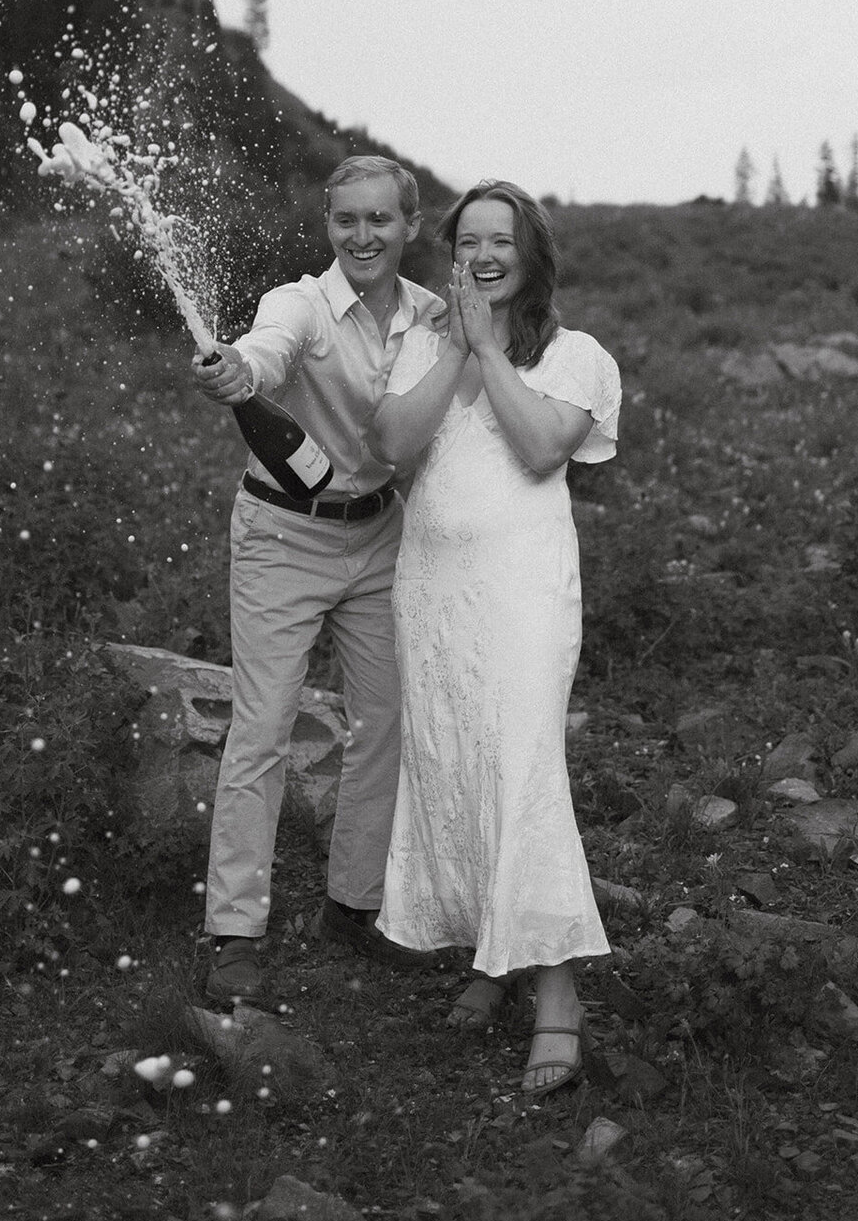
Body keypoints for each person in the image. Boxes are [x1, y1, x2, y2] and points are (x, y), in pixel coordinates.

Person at [371, 179, 621, 1098]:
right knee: (453, 763)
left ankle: (558, 1000)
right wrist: (455, 352)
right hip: (432, 592)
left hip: (519, 597)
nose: (481, 255)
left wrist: (488, 347)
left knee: (520, 767)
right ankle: (491, 956)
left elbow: (540, 450)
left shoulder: (574, 354)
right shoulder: (421, 343)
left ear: (532, 255)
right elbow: (394, 446)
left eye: (500, 241)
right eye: (466, 240)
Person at [192, 155, 446, 1003]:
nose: (362, 236)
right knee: (262, 730)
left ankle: (355, 905)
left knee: (386, 722)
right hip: (283, 537)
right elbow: (264, 354)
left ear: (410, 226)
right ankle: (234, 931)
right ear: (328, 226)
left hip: (380, 536)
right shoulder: (299, 304)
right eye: (346, 220)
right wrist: (240, 371)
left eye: (380, 220)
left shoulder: (433, 317)